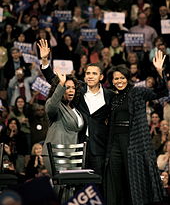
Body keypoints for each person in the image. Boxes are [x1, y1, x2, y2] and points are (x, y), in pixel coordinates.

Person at [38, 39, 113, 177]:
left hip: (96, 148)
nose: (90, 76)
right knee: (72, 186)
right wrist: (44, 61)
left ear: (101, 77)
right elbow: (57, 82)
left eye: (94, 73)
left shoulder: (110, 96)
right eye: (88, 73)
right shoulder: (79, 91)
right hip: (72, 149)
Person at [105, 50, 168, 205]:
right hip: (114, 142)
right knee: (115, 176)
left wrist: (160, 72)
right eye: (116, 79)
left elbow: (160, 92)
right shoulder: (112, 97)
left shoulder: (138, 92)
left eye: (122, 78)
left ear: (127, 78)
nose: (119, 81)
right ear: (112, 81)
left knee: (133, 178)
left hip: (133, 141)